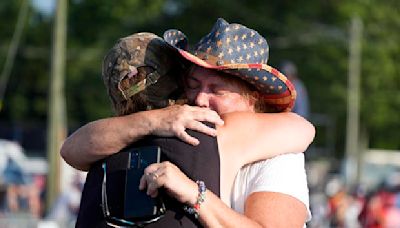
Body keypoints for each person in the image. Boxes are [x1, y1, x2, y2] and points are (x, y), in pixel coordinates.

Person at [62, 18, 314, 227]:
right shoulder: (160, 130)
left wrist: (196, 195)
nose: (201, 99)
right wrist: (156, 120)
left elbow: (302, 128)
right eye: (193, 85)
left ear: (253, 98)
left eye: (217, 90)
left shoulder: (279, 156)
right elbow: (71, 149)